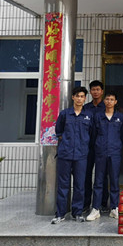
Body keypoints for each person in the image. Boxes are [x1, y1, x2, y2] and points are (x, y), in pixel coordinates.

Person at [51, 86, 93, 224]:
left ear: (85, 98)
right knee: (63, 185)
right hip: (65, 154)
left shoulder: (88, 115)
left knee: (80, 185)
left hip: (81, 155)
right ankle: (60, 214)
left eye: (82, 96)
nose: (79, 99)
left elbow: (92, 133)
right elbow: (59, 131)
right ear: (73, 97)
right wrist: (67, 143)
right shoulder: (65, 114)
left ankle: (77, 213)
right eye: (77, 96)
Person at [86, 92, 123, 221]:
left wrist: (116, 145)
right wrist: (98, 145)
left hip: (115, 153)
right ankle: (95, 209)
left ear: (115, 102)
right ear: (104, 101)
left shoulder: (120, 117)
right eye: (107, 99)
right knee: (98, 181)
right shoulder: (98, 116)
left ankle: (114, 208)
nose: (109, 101)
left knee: (114, 181)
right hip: (100, 152)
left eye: (112, 99)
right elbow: (93, 134)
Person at [83, 80, 106, 212]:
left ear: (102, 91)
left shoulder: (107, 107)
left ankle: (103, 203)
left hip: (102, 146)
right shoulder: (86, 108)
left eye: (98, 89)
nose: (96, 92)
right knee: (86, 175)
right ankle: (86, 203)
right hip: (88, 147)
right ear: (90, 92)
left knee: (102, 175)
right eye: (93, 90)